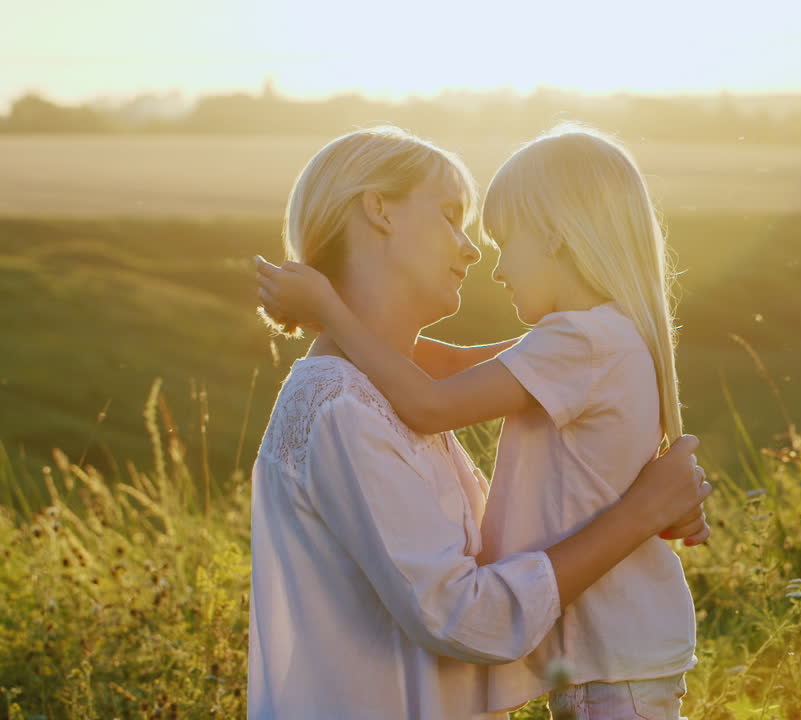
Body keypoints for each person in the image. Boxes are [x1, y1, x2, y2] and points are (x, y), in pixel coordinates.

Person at [250, 125, 711, 720]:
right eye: (450, 217)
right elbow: (466, 617)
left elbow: (464, 376)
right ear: (378, 211)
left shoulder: (389, 394)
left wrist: (330, 313)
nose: (474, 253)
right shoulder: (346, 407)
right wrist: (641, 510)